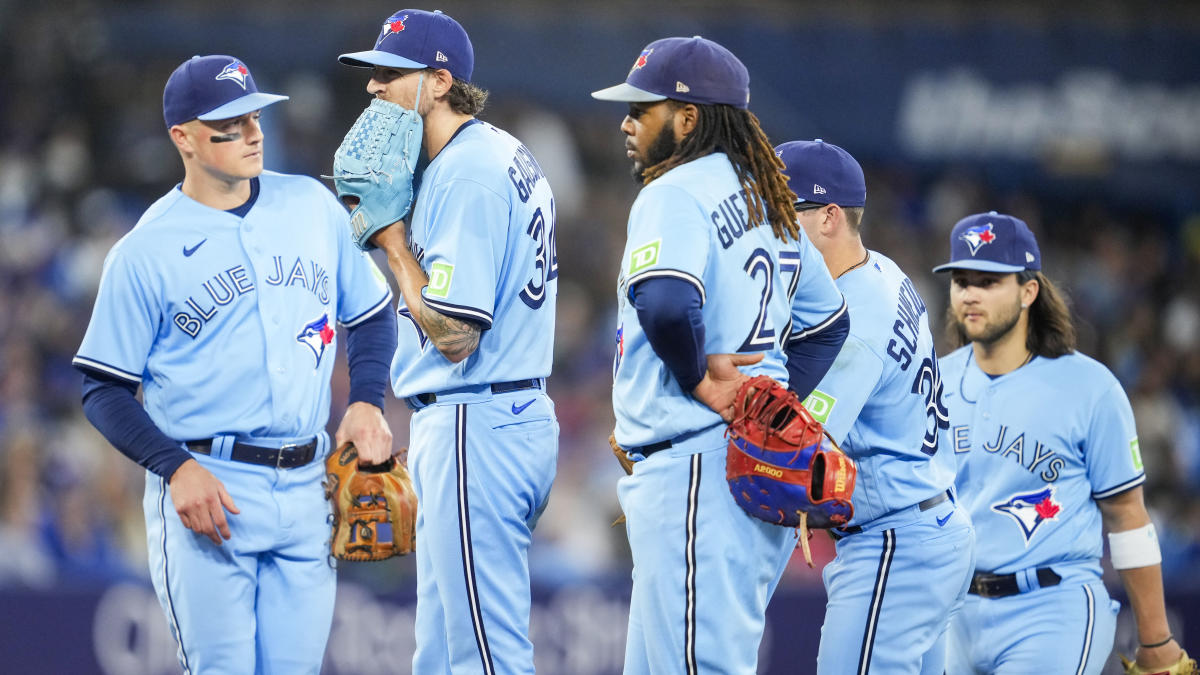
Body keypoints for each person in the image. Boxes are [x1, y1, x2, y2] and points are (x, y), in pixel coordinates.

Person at [73, 55, 397, 673]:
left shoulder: (310, 204)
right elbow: (102, 387)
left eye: (254, 117)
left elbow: (372, 311)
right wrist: (174, 467)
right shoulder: (144, 250)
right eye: (228, 124)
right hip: (211, 487)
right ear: (183, 138)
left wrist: (366, 399)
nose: (252, 134)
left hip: (307, 484)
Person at [591, 38, 850, 673]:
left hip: (697, 470)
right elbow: (828, 325)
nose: (626, 122)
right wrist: (774, 403)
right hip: (738, 470)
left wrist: (700, 386)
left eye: (641, 110)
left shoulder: (675, 191)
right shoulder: (770, 201)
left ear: (688, 119)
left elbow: (666, 301)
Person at [336, 9, 559, 674]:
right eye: (370, 74)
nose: (373, 88)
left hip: (478, 419)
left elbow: (456, 333)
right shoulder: (487, 153)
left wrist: (392, 241)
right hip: (496, 415)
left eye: (389, 74)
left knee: (483, 654)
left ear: (438, 82)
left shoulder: (468, 172)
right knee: (439, 654)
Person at [934, 212, 1189, 674]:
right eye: (961, 280)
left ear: (1029, 290)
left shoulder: (1089, 387)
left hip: (1051, 608)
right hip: (950, 610)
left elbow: (1127, 514)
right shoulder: (934, 382)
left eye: (989, 281)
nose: (970, 294)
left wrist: (1156, 640)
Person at [775, 139, 973, 674]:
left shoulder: (856, 320)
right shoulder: (880, 271)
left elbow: (798, 444)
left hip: (895, 542)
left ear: (828, 218)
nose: (767, 228)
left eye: (779, 211)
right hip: (930, 526)